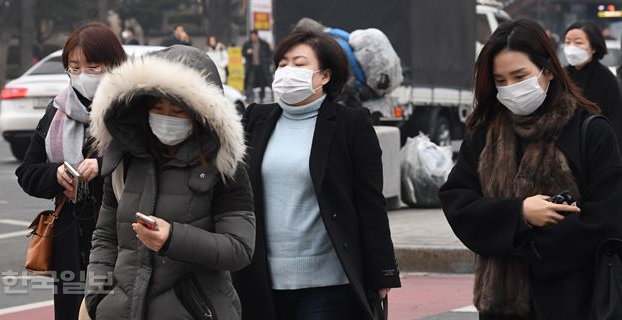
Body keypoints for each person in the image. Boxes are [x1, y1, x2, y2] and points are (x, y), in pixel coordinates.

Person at [439, 19, 622, 320]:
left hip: (575, 300)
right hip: (501, 306)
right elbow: (458, 200)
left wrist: (539, 243)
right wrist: (519, 214)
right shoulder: (485, 133)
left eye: (519, 76)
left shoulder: (589, 130)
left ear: (548, 70)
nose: (510, 89)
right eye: (500, 80)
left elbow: (609, 216)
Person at [234, 29, 400, 320]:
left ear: (324, 76)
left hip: (329, 284)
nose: (287, 71)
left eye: (299, 64)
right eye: (282, 64)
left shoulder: (351, 125)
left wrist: (383, 272)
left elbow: (370, 202)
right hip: (262, 279)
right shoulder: (255, 120)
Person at [83, 45, 255, 320]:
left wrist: (173, 238)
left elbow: (239, 248)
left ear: (200, 116)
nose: (165, 118)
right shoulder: (124, 159)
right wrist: (97, 297)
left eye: (177, 112)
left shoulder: (224, 166)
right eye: (158, 108)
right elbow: (105, 237)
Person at [15, 22, 126, 320]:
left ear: (114, 65)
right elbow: (26, 172)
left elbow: (148, 161)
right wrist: (55, 176)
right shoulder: (57, 111)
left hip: (121, 239)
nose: (82, 75)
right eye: (74, 67)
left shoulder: (131, 109)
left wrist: (103, 166)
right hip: (70, 240)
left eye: (93, 67)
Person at [564, 21, 622, 149]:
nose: (571, 48)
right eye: (567, 42)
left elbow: (616, 119)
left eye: (578, 43)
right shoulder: (561, 76)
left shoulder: (606, 78)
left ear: (593, 47)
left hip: (597, 146)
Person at [242, 30, 272, 103]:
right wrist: (247, 52)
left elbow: (269, 54)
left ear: (257, 36)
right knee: (250, 82)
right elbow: (243, 52)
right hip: (251, 67)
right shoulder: (247, 44)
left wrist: (268, 63)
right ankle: (248, 97)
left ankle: (262, 98)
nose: (253, 38)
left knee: (262, 83)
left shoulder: (263, 44)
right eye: (251, 36)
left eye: (254, 36)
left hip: (262, 67)